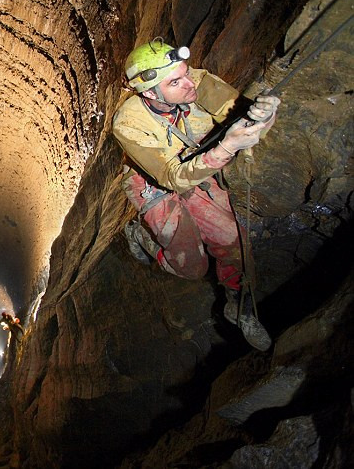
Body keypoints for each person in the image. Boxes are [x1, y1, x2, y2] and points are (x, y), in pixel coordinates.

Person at [112, 38, 280, 350]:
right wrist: (227, 146)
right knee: (192, 268)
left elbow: (245, 119)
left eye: (185, 73)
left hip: (199, 169)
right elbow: (172, 178)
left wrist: (264, 116)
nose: (190, 84)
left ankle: (238, 306)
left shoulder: (199, 83)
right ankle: (140, 235)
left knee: (234, 239)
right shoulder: (128, 123)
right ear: (151, 93)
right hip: (155, 184)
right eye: (175, 82)